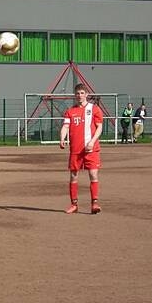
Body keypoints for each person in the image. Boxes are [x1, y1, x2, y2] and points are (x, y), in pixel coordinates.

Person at [60, 83, 103, 215]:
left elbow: (99, 127)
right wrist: (62, 138)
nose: (80, 96)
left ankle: (94, 203)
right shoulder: (70, 111)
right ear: (75, 95)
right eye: (77, 93)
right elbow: (65, 127)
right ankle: (74, 205)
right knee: (73, 176)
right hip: (76, 150)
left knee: (93, 174)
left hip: (91, 149)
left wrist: (92, 141)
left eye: (82, 93)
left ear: (87, 95)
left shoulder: (94, 109)